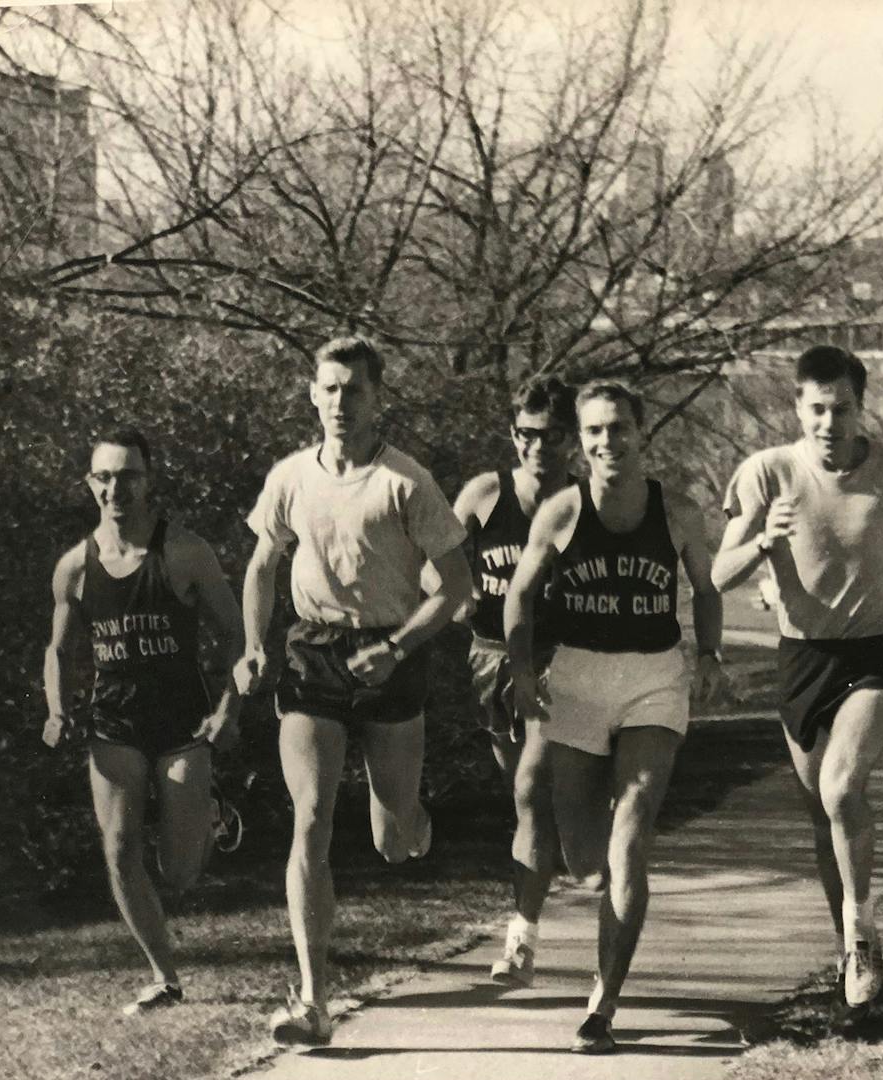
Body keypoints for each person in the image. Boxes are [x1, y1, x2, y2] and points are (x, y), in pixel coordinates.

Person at [712, 345, 883, 1012]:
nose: (830, 423)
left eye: (844, 409)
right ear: (798, 408)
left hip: (876, 654)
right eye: (817, 409)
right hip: (804, 661)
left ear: (863, 408)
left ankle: (860, 938)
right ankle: (851, 953)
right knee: (824, 816)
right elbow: (716, 575)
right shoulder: (766, 473)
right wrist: (761, 542)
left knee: (841, 787)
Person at [235, 336, 472, 1047]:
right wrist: (252, 646)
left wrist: (398, 647)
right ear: (313, 395)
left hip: (391, 650)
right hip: (312, 653)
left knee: (393, 838)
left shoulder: (406, 482)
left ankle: (408, 809)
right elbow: (261, 568)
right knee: (311, 818)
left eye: (355, 391)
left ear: (378, 400)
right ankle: (313, 1000)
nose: (341, 402)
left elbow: (459, 585)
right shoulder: (289, 477)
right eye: (330, 389)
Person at [504, 380, 726, 1054]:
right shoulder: (561, 513)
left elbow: (706, 588)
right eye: (595, 431)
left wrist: (711, 653)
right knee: (582, 853)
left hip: (653, 680)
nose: (608, 442)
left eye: (620, 429)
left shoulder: (679, 512)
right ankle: (601, 891)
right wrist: (518, 671)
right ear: (580, 439)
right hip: (576, 677)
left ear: (641, 433)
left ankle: (602, 1005)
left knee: (631, 836)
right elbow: (519, 595)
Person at [43, 428, 244, 1016]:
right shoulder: (75, 566)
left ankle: (210, 808)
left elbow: (236, 636)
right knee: (119, 848)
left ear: (148, 481)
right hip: (114, 724)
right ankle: (164, 976)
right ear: (90, 485)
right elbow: (57, 650)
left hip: (184, 723)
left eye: (128, 476)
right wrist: (57, 709)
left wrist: (229, 707)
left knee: (178, 873)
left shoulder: (184, 552)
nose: (115, 489)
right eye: (103, 477)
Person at [450, 376, 578, 987]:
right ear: (513, 435)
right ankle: (554, 870)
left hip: (558, 658)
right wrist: (454, 593)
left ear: (570, 440)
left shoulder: (584, 502)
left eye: (551, 435)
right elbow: (436, 562)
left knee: (532, 788)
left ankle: (519, 943)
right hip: (490, 657)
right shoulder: (484, 493)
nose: (537, 447)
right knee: (527, 801)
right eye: (526, 434)